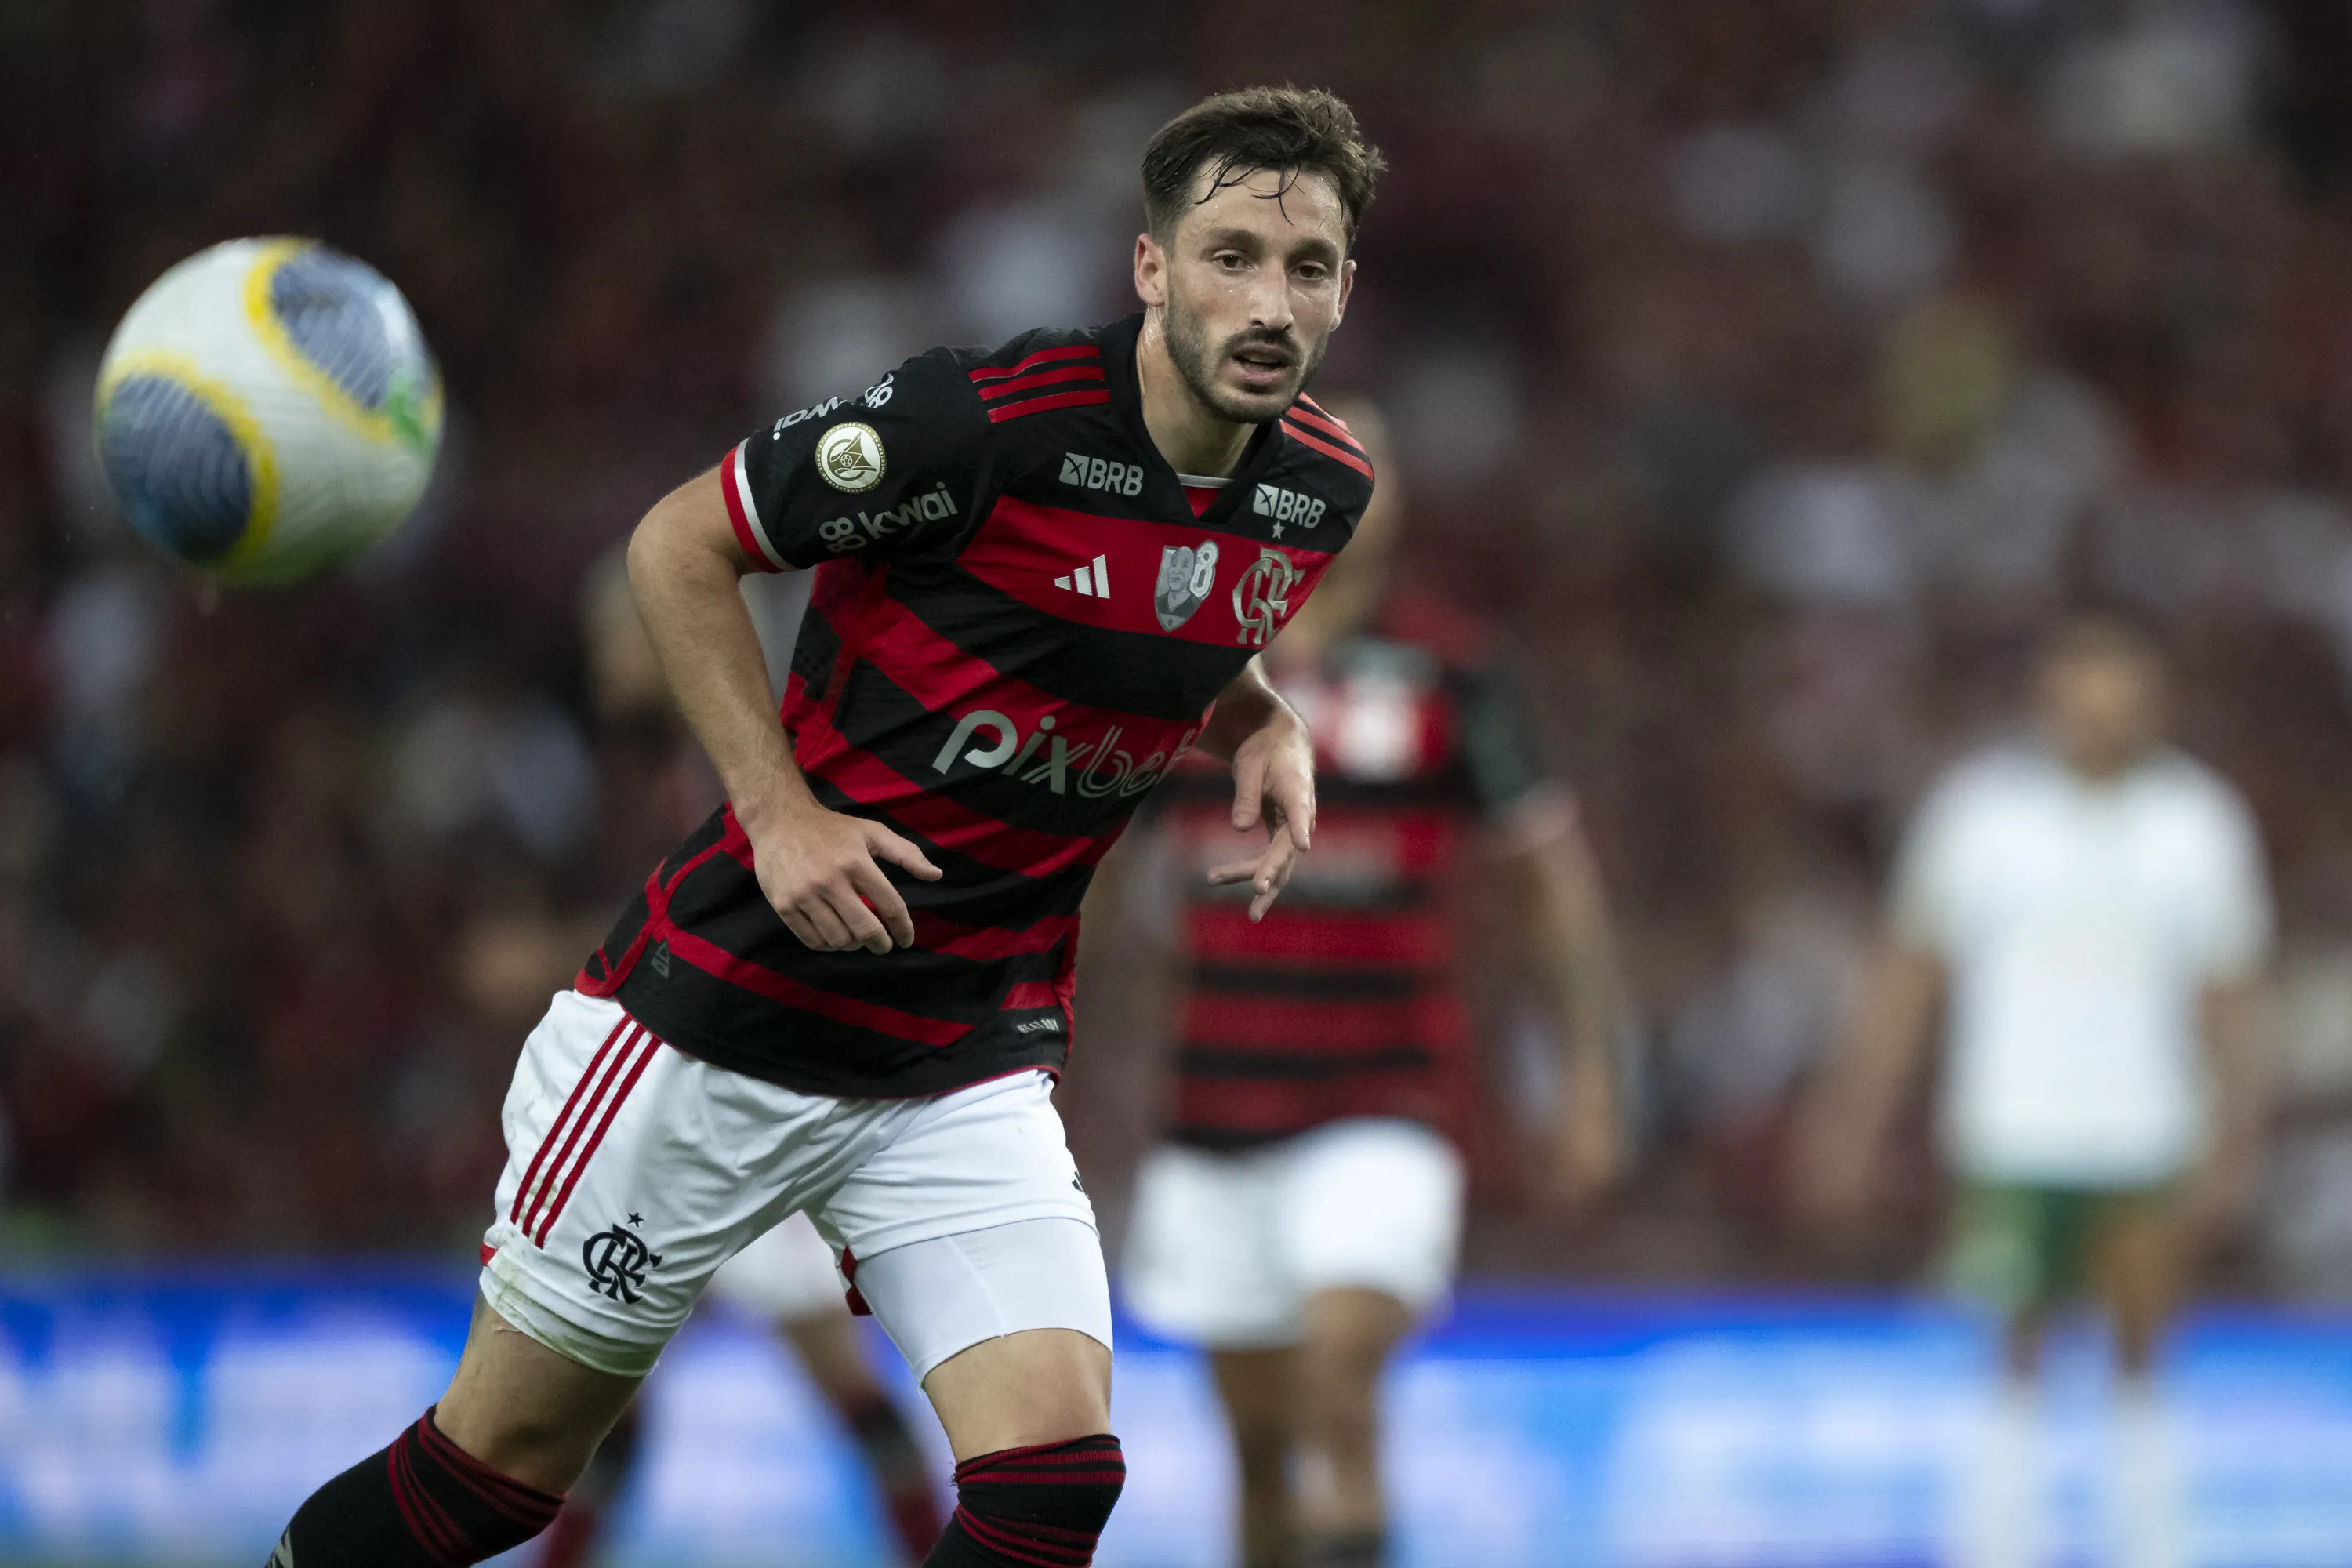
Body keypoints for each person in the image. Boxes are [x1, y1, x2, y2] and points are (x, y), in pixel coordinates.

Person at [264, 85, 1384, 1568]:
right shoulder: (977, 425)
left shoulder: (1320, 490)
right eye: (1231, 256)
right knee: (494, 1484)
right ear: (1152, 269)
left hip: (958, 1056)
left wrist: (1259, 717)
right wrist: (779, 812)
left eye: (1308, 268)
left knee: (1053, 1487)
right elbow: (679, 543)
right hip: (725, 1021)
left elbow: (1170, 608)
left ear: (1345, 289)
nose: (1270, 302)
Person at [1105, 402, 1626, 1568]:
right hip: (1212, 1108)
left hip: (1385, 1097)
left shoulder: (1451, 668)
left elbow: (1547, 880)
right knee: (1259, 1450)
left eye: (1373, 464)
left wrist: (1591, 1072)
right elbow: (1087, 863)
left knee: (1339, 1385)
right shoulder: (1180, 652)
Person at [1797, 612, 2271, 1568]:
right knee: (2011, 1349)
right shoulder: (1982, 814)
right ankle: (1998, 1542)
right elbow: (1909, 974)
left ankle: (2152, 1544)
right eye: (2078, 693)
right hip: (2013, 1125)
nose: (2095, 715)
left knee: (2143, 1349)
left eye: (2116, 696)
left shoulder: (2198, 823)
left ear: (2153, 701)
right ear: (2046, 697)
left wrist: (2237, 1132)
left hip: (2146, 1124)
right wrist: (1851, 1113)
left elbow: (2230, 994)